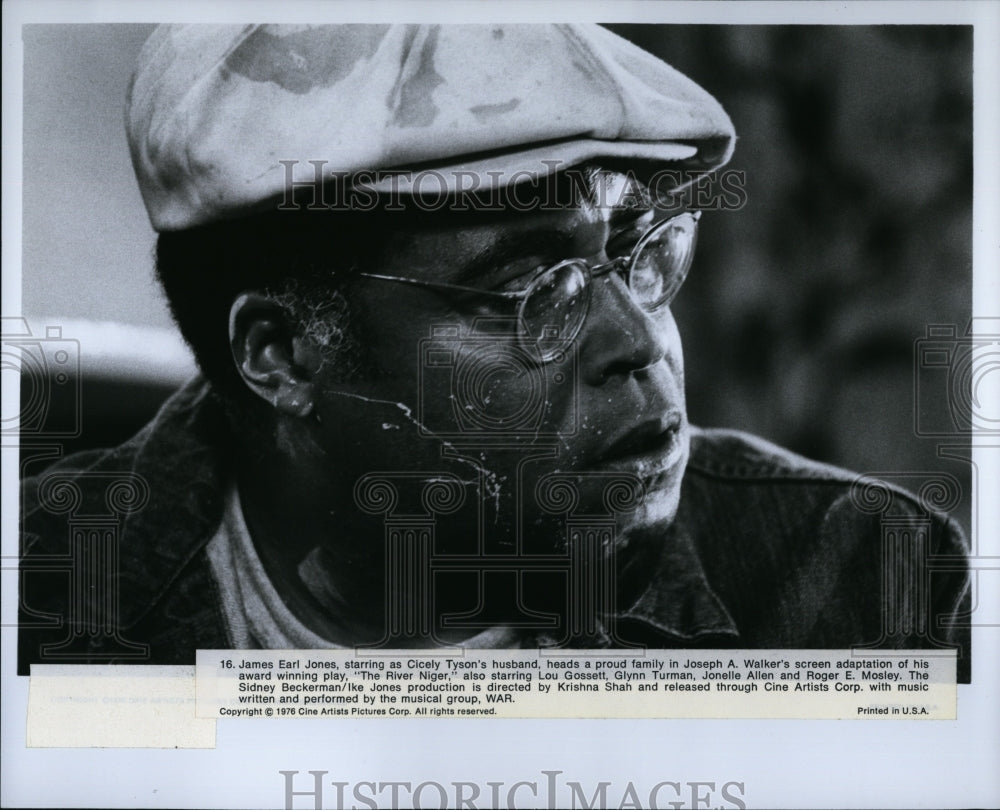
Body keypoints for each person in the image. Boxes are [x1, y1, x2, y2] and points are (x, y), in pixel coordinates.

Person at [18, 23, 970, 680]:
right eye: (526, 288)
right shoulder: (41, 605)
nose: (640, 345)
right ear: (284, 356)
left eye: (640, 255)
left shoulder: (858, 581)